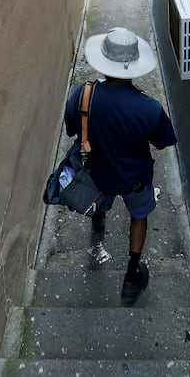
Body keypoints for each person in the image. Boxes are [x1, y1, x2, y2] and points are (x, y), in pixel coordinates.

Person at [64, 27, 176, 306]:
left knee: (102, 199)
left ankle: (98, 220)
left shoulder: (83, 95)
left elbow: (70, 130)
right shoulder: (149, 109)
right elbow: (162, 143)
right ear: (134, 66)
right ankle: (131, 275)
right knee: (140, 215)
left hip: (99, 174)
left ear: (103, 61)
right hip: (135, 178)